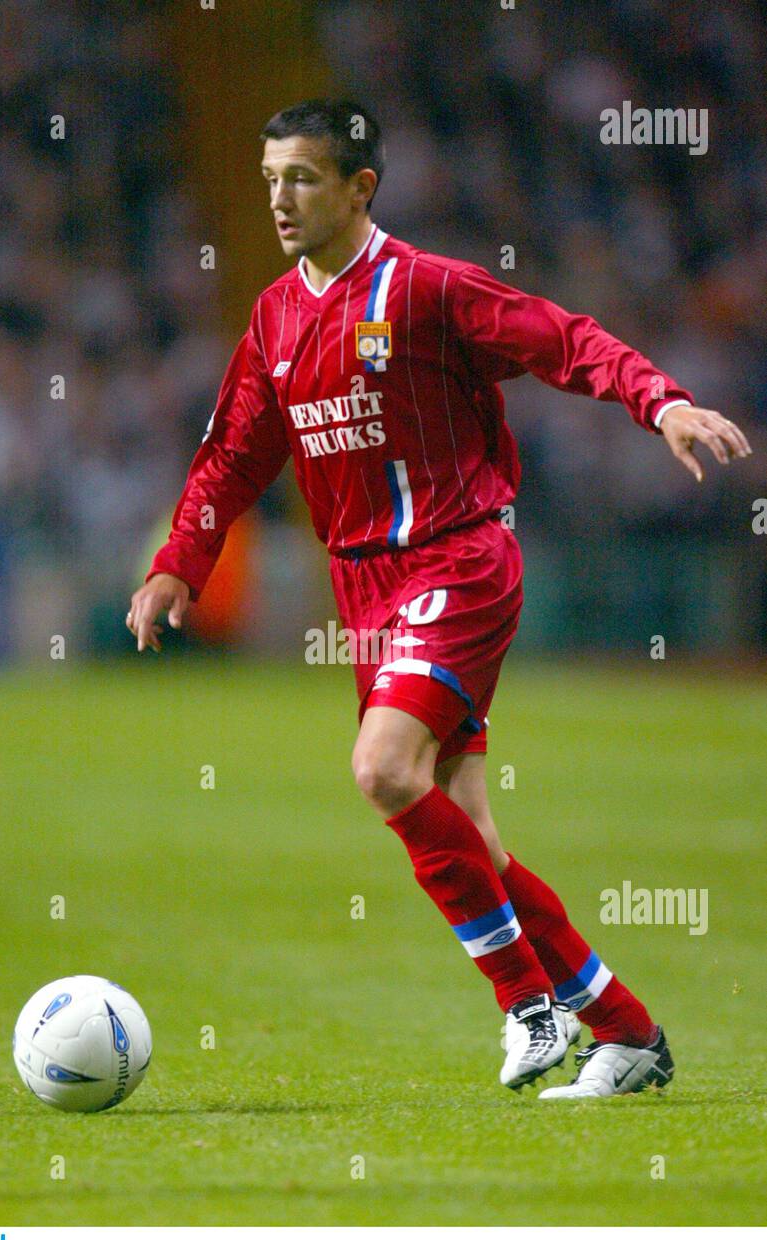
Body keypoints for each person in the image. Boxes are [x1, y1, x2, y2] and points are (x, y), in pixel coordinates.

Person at [127, 100, 751, 1098]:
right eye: (271, 178)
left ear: (359, 187)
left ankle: (524, 1003)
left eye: (303, 178)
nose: (280, 199)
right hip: (366, 590)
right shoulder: (275, 317)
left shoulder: (429, 289)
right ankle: (627, 1033)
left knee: (381, 767)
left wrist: (659, 400)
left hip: (457, 561)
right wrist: (179, 562)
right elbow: (233, 453)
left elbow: (564, 339)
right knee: (470, 834)